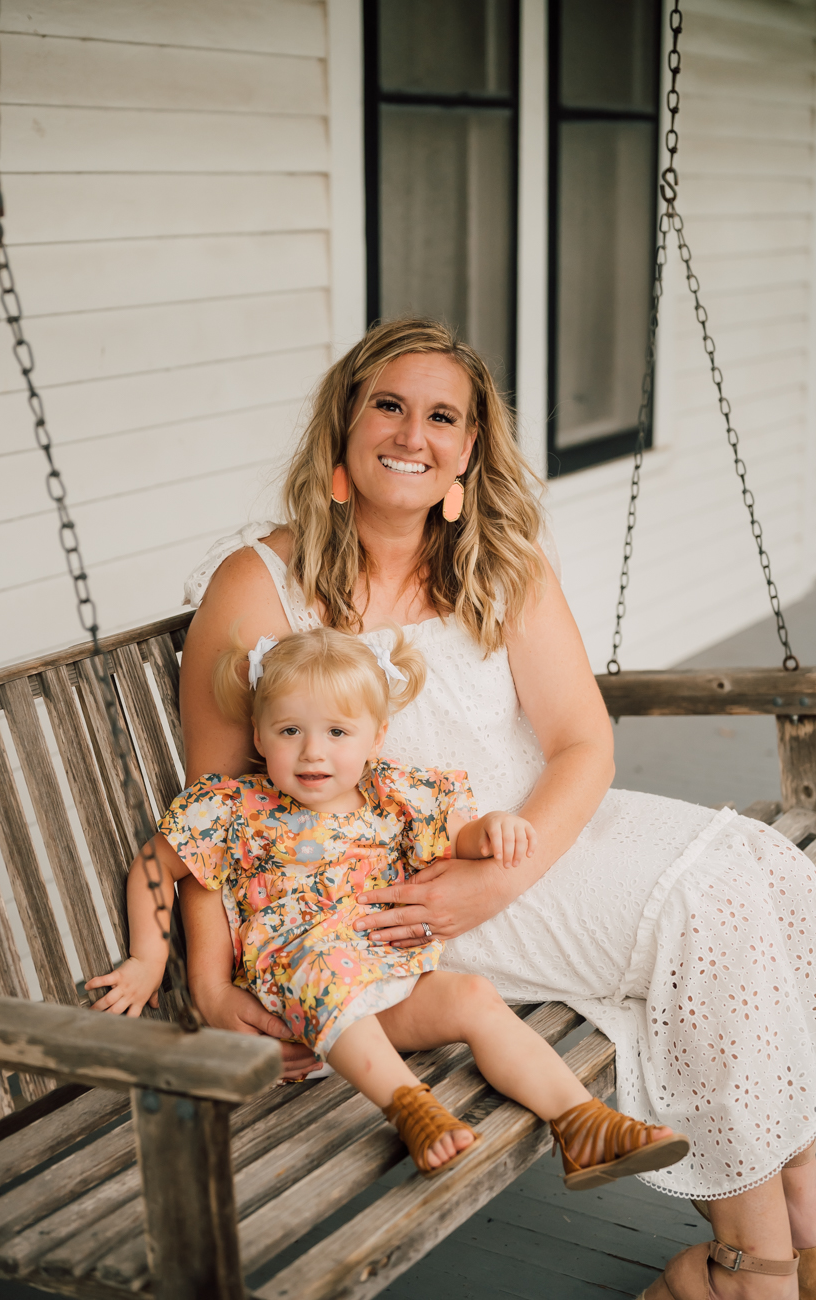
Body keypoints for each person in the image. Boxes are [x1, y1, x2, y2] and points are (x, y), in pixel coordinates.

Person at [173, 318, 812, 1295]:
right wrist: (213, 984)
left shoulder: (499, 564)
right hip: (399, 899)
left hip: (529, 840)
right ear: (343, 426)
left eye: (442, 417)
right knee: (709, 909)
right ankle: (752, 1269)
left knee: (766, 868)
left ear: (468, 449)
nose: (412, 434)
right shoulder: (260, 586)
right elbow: (221, 815)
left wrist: (505, 873)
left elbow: (582, 743)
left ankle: (797, 1214)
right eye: (389, 405)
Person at [88, 624, 690, 1183]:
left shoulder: (392, 794)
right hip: (301, 1003)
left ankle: (583, 1125)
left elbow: (459, 837)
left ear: (376, 737)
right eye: (290, 731)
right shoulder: (232, 808)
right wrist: (147, 959)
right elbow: (154, 867)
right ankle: (412, 1111)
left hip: (384, 988)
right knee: (325, 966)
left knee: (473, 996)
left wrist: (492, 830)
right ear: (258, 735)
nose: (313, 753)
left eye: (337, 733)